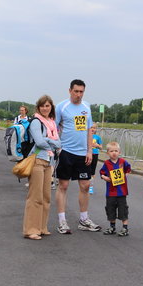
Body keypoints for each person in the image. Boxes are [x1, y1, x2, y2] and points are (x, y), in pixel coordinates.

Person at [55, 79, 101, 234]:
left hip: (83, 154)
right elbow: (54, 128)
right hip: (66, 152)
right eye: (76, 91)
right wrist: (58, 148)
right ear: (70, 91)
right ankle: (62, 221)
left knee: (85, 186)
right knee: (63, 186)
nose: (79, 95)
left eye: (81, 91)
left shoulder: (86, 107)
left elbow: (89, 130)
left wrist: (89, 150)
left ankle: (84, 219)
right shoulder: (62, 107)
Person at [22, 95, 61, 240]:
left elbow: (58, 143)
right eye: (42, 106)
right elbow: (39, 142)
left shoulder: (51, 123)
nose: (45, 108)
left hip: (49, 161)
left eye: (48, 106)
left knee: (46, 197)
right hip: (37, 160)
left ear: (51, 107)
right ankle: (31, 229)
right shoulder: (36, 122)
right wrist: (53, 142)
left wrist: (50, 141)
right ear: (38, 108)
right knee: (35, 197)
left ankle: (42, 227)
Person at [100, 142, 132, 236]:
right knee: (110, 209)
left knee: (123, 209)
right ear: (107, 153)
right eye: (111, 151)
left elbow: (128, 168)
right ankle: (112, 227)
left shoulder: (122, 162)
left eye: (116, 151)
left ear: (119, 152)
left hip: (121, 191)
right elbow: (102, 173)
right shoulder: (106, 163)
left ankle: (125, 228)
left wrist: (126, 174)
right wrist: (104, 177)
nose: (114, 153)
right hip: (111, 192)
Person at [89, 123, 102, 194]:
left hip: (95, 154)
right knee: (87, 169)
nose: (92, 129)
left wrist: (97, 145)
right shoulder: (86, 136)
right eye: (91, 127)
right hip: (87, 154)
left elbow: (101, 147)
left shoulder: (97, 137)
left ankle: (91, 186)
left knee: (92, 171)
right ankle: (85, 184)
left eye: (94, 128)